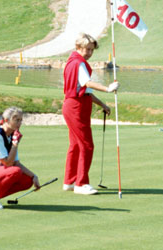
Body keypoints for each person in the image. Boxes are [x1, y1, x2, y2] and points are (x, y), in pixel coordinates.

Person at [62, 33, 118, 195]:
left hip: (73, 105)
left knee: (75, 145)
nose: (89, 53)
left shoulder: (72, 62)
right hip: (76, 107)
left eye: (91, 50)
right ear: (78, 47)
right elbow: (87, 83)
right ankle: (81, 183)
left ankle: (70, 181)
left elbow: (85, 91)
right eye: (86, 49)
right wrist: (108, 88)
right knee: (86, 145)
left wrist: (102, 104)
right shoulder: (79, 64)